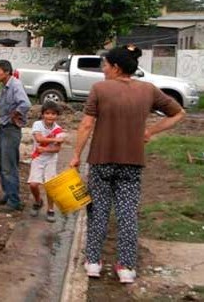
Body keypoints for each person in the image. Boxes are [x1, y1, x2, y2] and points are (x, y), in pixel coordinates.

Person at [70, 45, 185, 284]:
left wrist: (76, 156)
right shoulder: (148, 90)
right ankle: (126, 267)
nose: (103, 69)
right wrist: (150, 132)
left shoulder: (100, 89)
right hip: (132, 163)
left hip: (101, 161)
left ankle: (93, 262)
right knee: (127, 214)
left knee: (98, 211)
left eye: (105, 65)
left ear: (116, 67)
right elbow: (178, 113)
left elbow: (86, 125)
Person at [0, 59, 31, 212]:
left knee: (8, 166)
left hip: (11, 130)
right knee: (1, 165)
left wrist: (14, 116)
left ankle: (14, 201)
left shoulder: (15, 85)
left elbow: (25, 104)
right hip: (3, 127)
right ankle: (7, 195)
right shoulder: (5, 86)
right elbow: (6, 106)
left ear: (7, 72)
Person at [28, 100, 65, 223]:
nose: (50, 116)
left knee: (50, 185)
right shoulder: (37, 124)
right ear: (43, 114)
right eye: (48, 113)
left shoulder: (58, 129)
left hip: (50, 159)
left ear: (57, 115)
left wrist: (44, 148)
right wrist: (55, 140)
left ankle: (50, 209)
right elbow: (38, 138)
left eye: (53, 114)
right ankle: (38, 201)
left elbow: (57, 149)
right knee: (33, 184)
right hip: (37, 158)